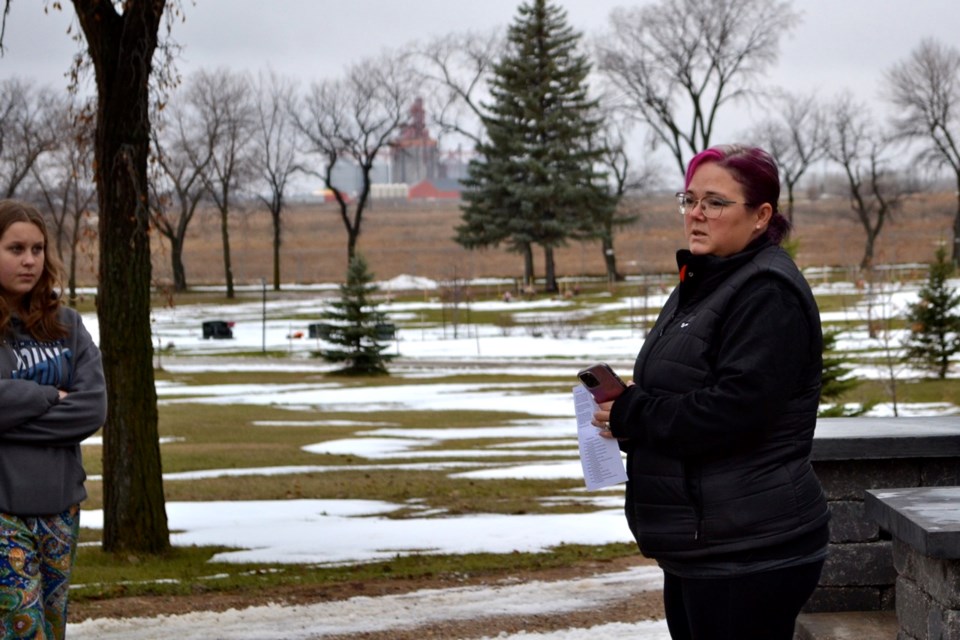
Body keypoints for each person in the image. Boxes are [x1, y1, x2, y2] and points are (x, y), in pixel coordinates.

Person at [593, 145, 829, 640]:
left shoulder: (768, 294)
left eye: (716, 202)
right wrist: (628, 408)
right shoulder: (703, 283)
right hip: (705, 542)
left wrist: (635, 414)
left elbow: (735, 412)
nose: (696, 214)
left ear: (762, 215)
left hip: (750, 548)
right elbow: (690, 386)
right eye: (689, 199)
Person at [0, 200, 107, 639]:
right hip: (3, 510)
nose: (29, 260)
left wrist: (12, 415)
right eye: (15, 249)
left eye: (38, 249)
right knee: (23, 631)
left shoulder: (68, 325)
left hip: (60, 508)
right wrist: (49, 395)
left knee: (52, 626)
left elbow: (92, 407)